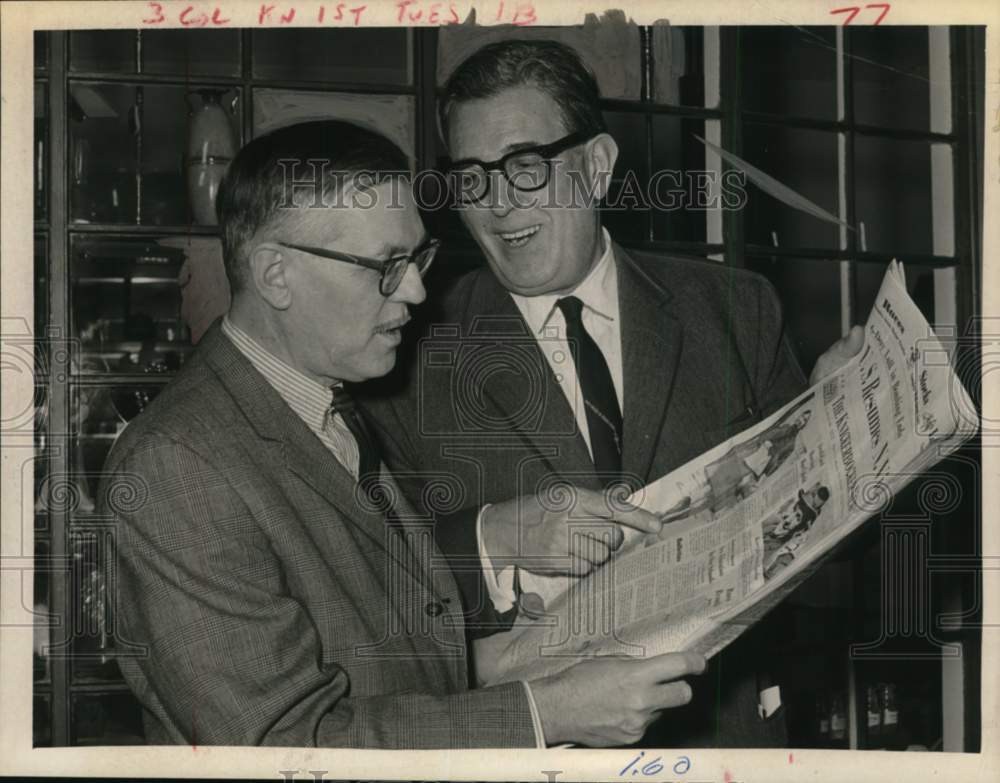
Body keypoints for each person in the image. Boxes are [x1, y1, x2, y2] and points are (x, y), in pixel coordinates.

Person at [97, 120, 708, 749]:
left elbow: (377, 665)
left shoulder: (326, 406)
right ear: (276, 275)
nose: (416, 289)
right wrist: (542, 714)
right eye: (386, 266)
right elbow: (286, 746)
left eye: (417, 258)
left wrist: (529, 655)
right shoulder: (176, 466)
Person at [359, 40, 864, 747]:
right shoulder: (402, 351)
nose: (500, 204)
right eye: (471, 178)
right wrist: (493, 541)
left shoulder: (735, 308)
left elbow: (821, 556)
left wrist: (837, 427)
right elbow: (364, 583)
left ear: (597, 166)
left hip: (723, 742)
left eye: (525, 167)